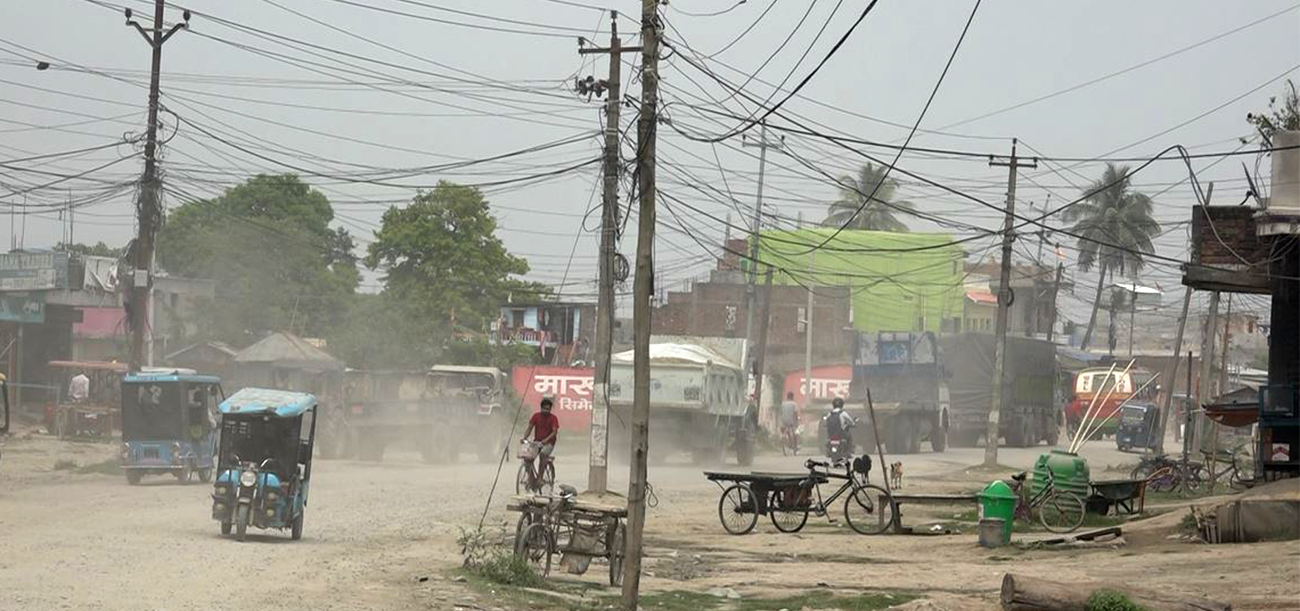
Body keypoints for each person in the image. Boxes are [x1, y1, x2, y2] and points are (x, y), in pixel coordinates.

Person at [521, 396, 559, 467]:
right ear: (541, 408)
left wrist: (546, 440)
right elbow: (530, 428)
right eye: (544, 408)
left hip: (549, 443)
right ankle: (531, 477)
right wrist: (524, 438)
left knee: (543, 454)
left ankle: (540, 477)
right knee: (527, 457)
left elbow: (554, 432)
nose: (545, 411)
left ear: (550, 409)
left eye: (547, 409)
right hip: (537, 442)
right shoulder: (536, 416)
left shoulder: (553, 418)